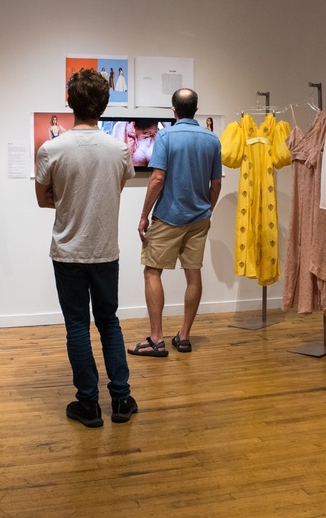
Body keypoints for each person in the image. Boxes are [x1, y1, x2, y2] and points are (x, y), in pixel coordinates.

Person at [35, 68, 137, 428]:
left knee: (77, 326)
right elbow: (116, 190)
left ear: (69, 101)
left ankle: (89, 404)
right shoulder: (120, 149)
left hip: (67, 251)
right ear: (106, 104)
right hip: (106, 249)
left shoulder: (51, 149)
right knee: (109, 322)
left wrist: (67, 198)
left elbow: (44, 200)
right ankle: (121, 399)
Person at [129, 88, 222, 357]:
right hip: (199, 218)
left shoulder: (166, 135)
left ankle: (156, 339)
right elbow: (215, 183)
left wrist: (144, 215)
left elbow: (157, 179)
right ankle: (183, 337)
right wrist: (208, 211)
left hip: (169, 216)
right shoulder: (212, 139)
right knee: (193, 273)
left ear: (173, 109)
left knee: (152, 271)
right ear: (196, 108)